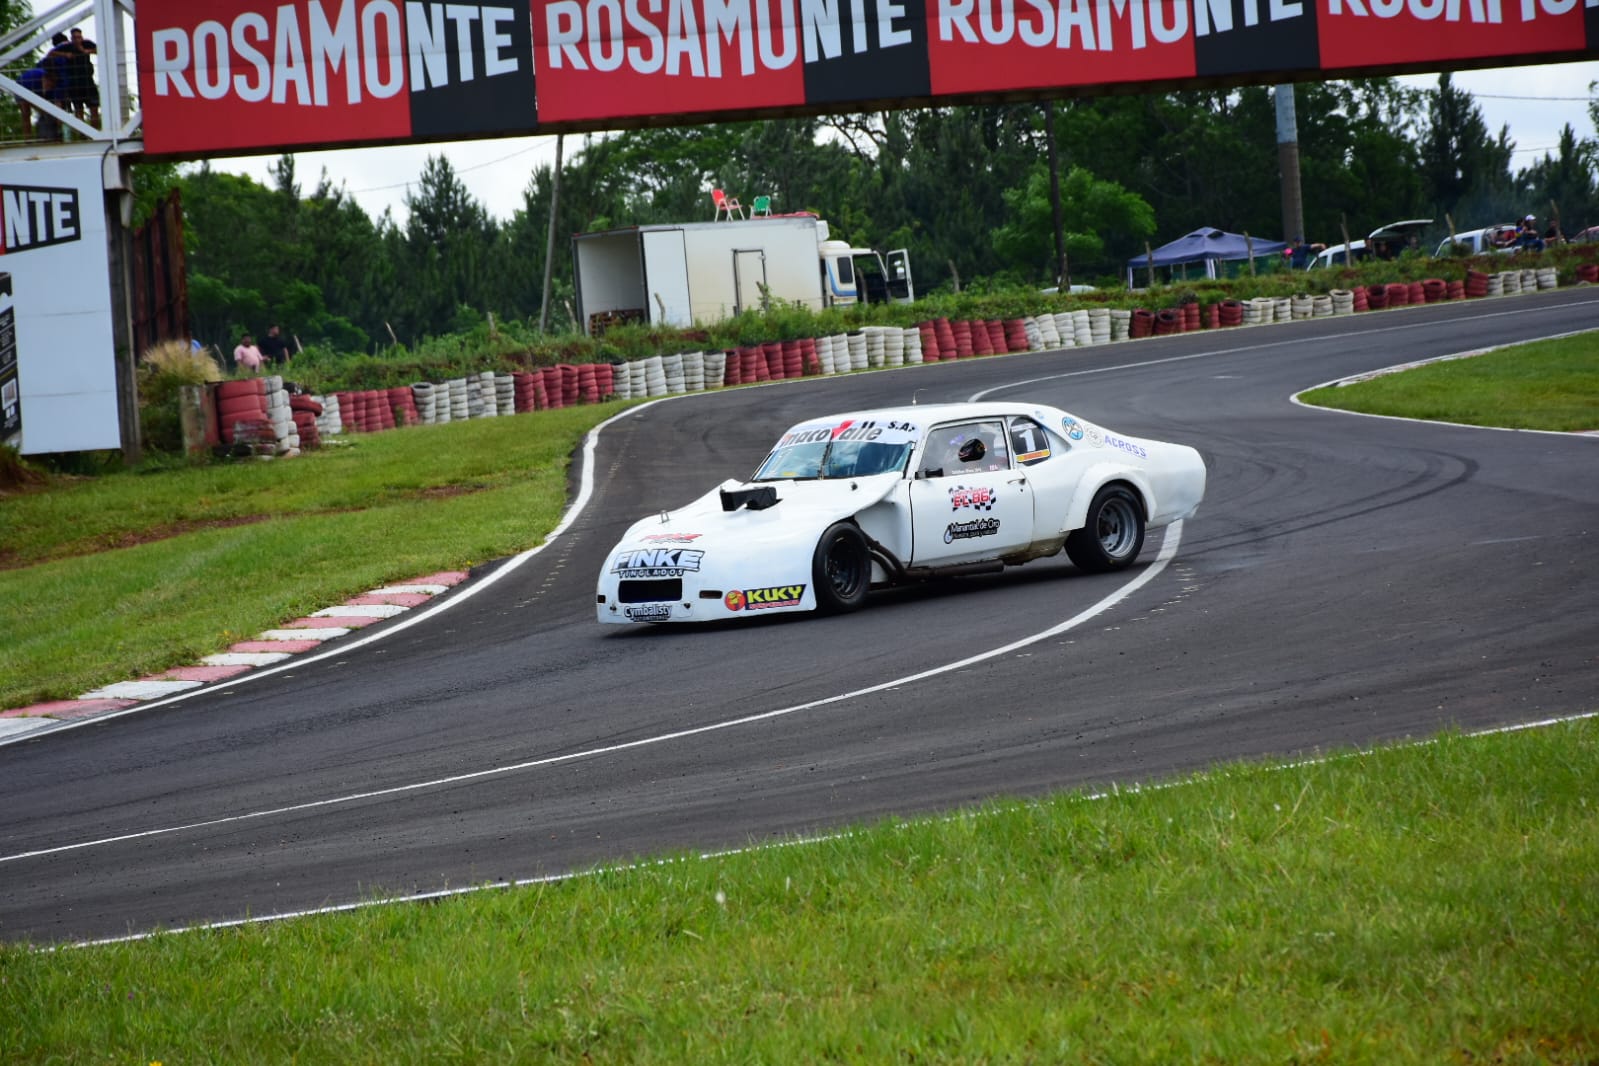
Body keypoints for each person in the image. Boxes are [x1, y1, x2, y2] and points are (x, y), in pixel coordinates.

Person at [15, 63, 62, 141]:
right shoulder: (29, 80)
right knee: (26, 113)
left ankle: (51, 136)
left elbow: (58, 102)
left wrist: (59, 116)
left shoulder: (55, 86)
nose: (49, 87)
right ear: (44, 79)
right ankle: (28, 139)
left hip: (38, 92)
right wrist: (41, 109)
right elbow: (26, 101)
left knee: (49, 113)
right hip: (21, 88)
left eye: (51, 86)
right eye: (48, 84)